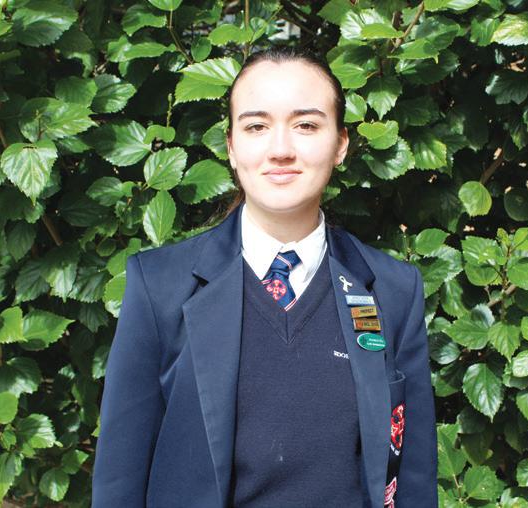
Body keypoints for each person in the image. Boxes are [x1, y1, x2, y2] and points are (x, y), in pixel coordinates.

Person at [91, 47, 438, 508]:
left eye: (306, 125)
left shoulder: (393, 291)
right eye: (256, 126)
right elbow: (119, 482)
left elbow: (413, 480)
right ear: (231, 147)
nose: (280, 149)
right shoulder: (159, 287)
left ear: (341, 144)